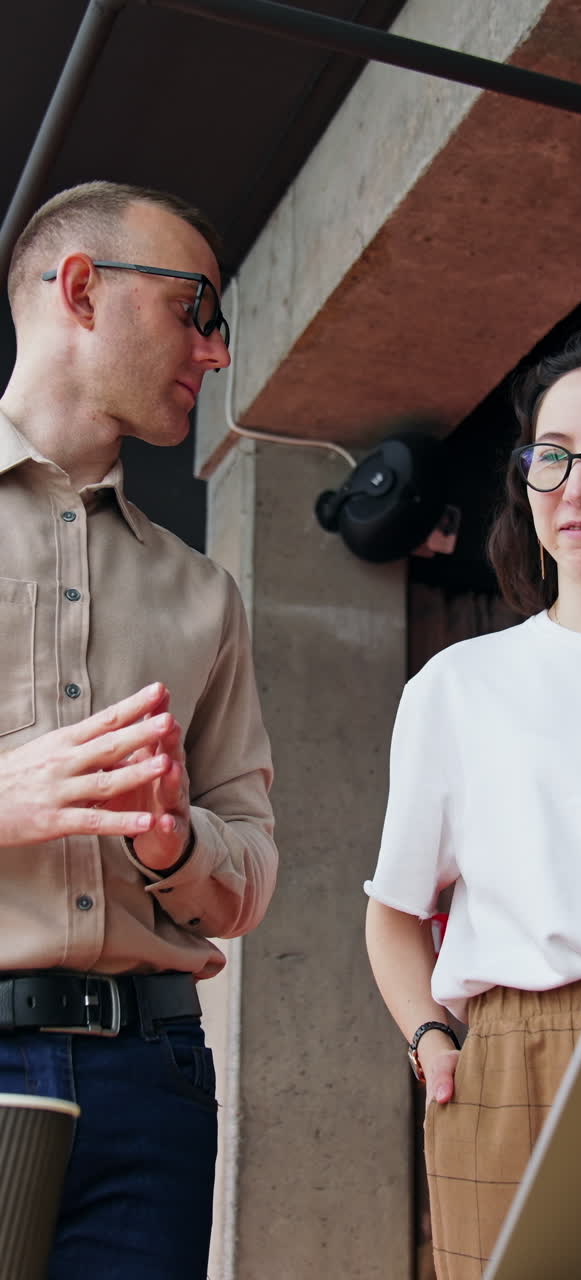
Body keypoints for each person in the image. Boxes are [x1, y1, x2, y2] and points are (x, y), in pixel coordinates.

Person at [364, 326, 581, 1279]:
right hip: (511, 1055)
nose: (577, 486)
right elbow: (394, 914)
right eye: (550, 456)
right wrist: (435, 1038)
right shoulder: (461, 685)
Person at [0, 181, 278, 1279]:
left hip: (154, 1080)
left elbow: (250, 865)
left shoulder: (207, 593)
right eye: (193, 309)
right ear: (81, 289)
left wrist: (174, 846)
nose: (213, 353)